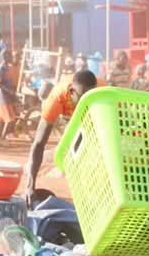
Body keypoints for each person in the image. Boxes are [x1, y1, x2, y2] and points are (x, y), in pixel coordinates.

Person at [25, 70, 100, 206]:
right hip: (68, 116)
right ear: (71, 91)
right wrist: (30, 186)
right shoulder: (56, 99)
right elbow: (39, 143)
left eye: (90, 96)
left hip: (91, 116)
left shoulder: (100, 93)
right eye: (83, 97)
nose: (86, 101)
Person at [0, 49, 19, 141]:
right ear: (5, 56)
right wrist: (8, 90)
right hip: (3, 96)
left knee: (2, 120)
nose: (11, 57)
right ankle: (2, 139)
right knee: (10, 118)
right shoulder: (2, 67)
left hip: (7, 97)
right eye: (9, 55)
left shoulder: (7, 67)